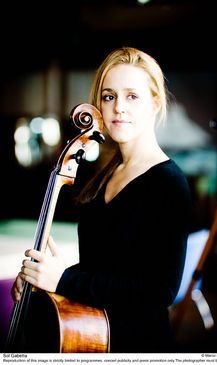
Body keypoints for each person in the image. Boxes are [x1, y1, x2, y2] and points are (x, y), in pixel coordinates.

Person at [11, 46, 192, 353]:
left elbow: (158, 292)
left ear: (155, 103)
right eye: (109, 96)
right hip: (91, 335)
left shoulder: (169, 184)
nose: (118, 107)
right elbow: (106, 267)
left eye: (132, 96)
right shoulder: (104, 175)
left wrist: (64, 280)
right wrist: (44, 276)